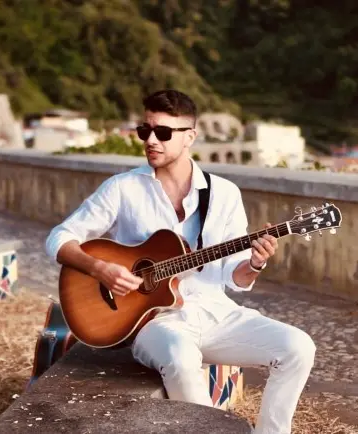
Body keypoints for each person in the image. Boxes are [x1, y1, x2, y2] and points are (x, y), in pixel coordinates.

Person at [45, 89, 316, 434]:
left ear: (190, 136)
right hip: (154, 322)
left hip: (216, 313)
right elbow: (59, 238)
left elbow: (235, 277)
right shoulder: (122, 188)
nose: (151, 140)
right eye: (145, 131)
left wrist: (255, 264)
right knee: (180, 357)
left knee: (298, 347)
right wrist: (100, 268)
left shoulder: (224, 194)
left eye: (162, 132)